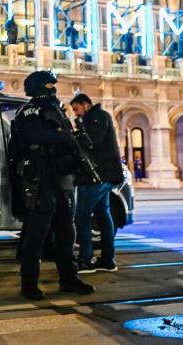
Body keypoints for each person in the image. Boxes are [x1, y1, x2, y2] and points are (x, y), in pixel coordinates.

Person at [10, 70, 94, 300]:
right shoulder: (29, 111)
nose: (53, 88)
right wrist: (63, 138)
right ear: (37, 87)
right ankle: (29, 285)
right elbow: (37, 137)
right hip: (40, 177)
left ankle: (69, 278)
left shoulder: (56, 109)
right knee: (36, 236)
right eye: (48, 84)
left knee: (66, 232)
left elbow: (64, 137)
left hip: (60, 177)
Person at [70, 93, 124, 273]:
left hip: (96, 175)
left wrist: (76, 133)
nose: (76, 114)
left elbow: (92, 143)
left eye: (76, 109)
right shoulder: (98, 117)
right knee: (103, 214)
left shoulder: (96, 117)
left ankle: (86, 259)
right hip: (103, 175)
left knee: (82, 216)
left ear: (85, 105)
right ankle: (107, 260)